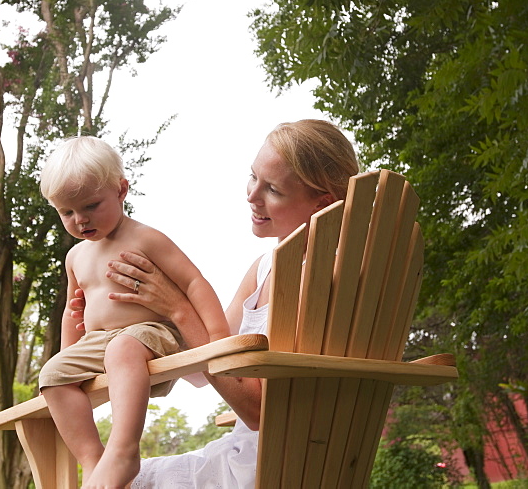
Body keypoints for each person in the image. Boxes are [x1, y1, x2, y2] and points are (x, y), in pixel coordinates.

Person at [68, 119, 359, 488]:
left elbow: (256, 411)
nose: (252, 196)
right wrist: (145, 313)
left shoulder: (319, 280)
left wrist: (179, 309)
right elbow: (197, 372)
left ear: (324, 203)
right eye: (253, 177)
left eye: (273, 189)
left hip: (268, 468)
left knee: (112, 481)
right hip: (275, 458)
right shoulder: (265, 268)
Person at [38, 136, 230, 489]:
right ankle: (94, 462)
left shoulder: (145, 238)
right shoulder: (75, 257)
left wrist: (217, 337)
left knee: (122, 347)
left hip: (151, 335)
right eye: (67, 212)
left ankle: (123, 451)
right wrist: (71, 359)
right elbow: (72, 312)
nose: (80, 220)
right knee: (51, 375)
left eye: (92, 205)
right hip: (99, 343)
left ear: (121, 190)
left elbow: (193, 283)